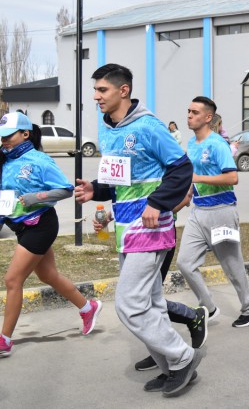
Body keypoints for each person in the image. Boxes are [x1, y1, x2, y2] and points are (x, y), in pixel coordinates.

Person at [75, 63, 202, 396]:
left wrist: (157, 203)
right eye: (96, 90)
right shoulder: (108, 129)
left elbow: (181, 168)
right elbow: (120, 179)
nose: (96, 96)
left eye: (102, 90)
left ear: (123, 90)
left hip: (151, 227)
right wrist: (96, 190)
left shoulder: (148, 126)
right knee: (152, 302)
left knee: (128, 304)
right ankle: (170, 367)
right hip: (124, 229)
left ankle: (182, 357)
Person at [0, 113, 102, 358]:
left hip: (41, 225)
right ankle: (89, 307)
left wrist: (37, 197)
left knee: (13, 280)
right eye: (1, 137)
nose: (4, 141)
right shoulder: (4, 160)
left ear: (25, 134)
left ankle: (4, 340)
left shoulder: (39, 160)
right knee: (48, 275)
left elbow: (66, 189)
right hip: (20, 227)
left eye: (9, 136)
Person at [93, 194, 210, 373]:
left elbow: (185, 196)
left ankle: (182, 338)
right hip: (132, 237)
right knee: (150, 300)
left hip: (156, 235)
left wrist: (155, 209)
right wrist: (114, 214)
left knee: (142, 301)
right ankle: (168, 355)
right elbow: (135, 195)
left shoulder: (175, 167)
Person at [177, 96, 249, 328]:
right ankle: (209, 307)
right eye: (188, 111)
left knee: (232, 266)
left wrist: (198, 178)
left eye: (194, 112)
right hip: (198, 211)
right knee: (184, 263)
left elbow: (232, 177)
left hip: (221, 210)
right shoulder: (192, 144)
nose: (189, 115)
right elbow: (191, 178)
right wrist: (183, 198)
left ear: (207, 117)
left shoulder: (217, 144)